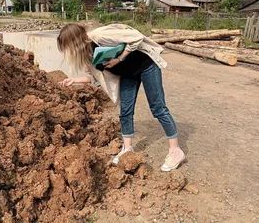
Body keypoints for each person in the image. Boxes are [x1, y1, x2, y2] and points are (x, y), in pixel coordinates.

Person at [57, 23, 185, 172]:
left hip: (146, 65)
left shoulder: (100, 36)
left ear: (75, 42)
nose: (67, 52)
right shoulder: (88, 56)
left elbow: (136, 37)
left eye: (67, 47)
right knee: (125, 111)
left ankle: (175, 151)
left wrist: (119, 59)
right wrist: (74, 80)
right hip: (128, 74)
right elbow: (94, 77)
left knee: (158, 108)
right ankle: (127, 148)